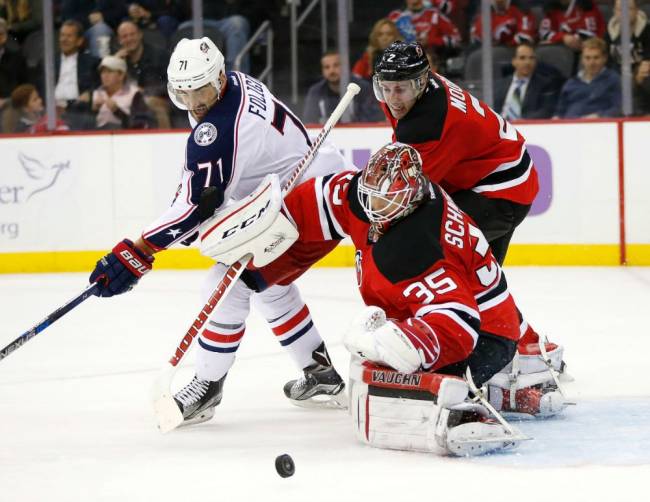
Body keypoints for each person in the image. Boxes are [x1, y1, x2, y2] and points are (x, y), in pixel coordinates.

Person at [88, 37, 353, 426]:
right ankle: (322, 376)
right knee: (270, 284)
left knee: (226, 283)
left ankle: (207, 385)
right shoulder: (236, 86)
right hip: (316, 189)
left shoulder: (221, 128)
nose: (194, 102)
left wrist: (138, 249)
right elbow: (197, 192)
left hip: (309, 204)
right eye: (184, 93)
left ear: (218, 78)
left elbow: (195, 209)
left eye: (200, 91)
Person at [239, 143, 566, 455]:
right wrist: (270, 234)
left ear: (410, 199)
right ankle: (504, 392)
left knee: (380, 365)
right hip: (482, 314)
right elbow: (326, 198)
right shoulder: (382, 196)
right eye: (371, 196)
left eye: (386, 201)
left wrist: (400, 342)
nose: (374, 208)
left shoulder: (418, 246)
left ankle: (463, 412)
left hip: (486, 336)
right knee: (376, 357)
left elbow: (459, 325)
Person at [370, 41, 566, 394]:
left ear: (420, 82)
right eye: (385, 88)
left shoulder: (430, 122)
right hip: (492, 180)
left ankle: (507, 346)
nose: (393, 97)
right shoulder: (415, 93)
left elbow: (407, 196)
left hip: (499, 191)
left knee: (460, 270)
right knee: (480, 279)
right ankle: (531, 346)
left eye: (400, 88)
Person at [303, 51, 384, 124]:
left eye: (336, 65)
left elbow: (373, 119)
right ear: (322, 70)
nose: (332, 70)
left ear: (345, 66)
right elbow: (310, 122)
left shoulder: (363, 88)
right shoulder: (315, 91)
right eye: (327, 67)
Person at [115, 20, 170, 128]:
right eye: (124, 36)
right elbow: (107, 85)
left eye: (132, 34)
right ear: (119, 40)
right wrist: (115, 62)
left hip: (159, 99)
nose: (129, 39)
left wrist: (144, 92)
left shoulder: (158, 55)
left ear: (140, 35)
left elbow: (170, 84)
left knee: (149, 102)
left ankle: (165, 139)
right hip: (127, 101)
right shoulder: (120, 59)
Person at [554, 37, 621, 118]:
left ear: (604, 58)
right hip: (569, 126)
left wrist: (599, 116)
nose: (591, 62)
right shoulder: (571, 83)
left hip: (599, 126)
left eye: (596, 58)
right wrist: (556, 117)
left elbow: (618, 108)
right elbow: (560, 111)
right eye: (587, 58)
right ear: (582, 59)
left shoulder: (614, 80)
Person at [52, 20, 100, 130]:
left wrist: (89, 93)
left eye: (69, 36)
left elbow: (97, 87)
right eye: (62, 35)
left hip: (77, 110)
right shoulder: (49, 62)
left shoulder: (91, 63)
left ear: (79, 41)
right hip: (51, 111)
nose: (64, 39)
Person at [495, 42, 561, 120]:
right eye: (522, 58)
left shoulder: (545, 84)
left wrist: (521, 122)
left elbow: (545, 111)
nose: (527, 62)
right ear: (514, 61)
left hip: (527, 128)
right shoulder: (500, 84)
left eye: (531, 58)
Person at [91, 55, 154, 130]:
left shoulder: (134, 94)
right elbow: (83, 125)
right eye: (103, 72)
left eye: (109, 71)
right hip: (98, 137)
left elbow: (140, 124)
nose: (105, 76)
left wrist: (117, 111)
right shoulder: (96, 93)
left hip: (124, 137)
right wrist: (92, 111)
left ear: (121, 75)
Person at [388, 0, 461, 61]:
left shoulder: (434, 15)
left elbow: (456, 39)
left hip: (431, 61)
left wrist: (430, 41)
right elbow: (384, 40)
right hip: (400, 62)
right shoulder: (396, 17)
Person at [539, 0, 605, 52]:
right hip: (562, 48)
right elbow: (544, 32)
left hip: (590, 48)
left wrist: (569, 39)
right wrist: (563, 37)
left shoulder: (586, 4)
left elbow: (588, 33)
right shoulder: (551, 6)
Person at [1, 83, 68, 133]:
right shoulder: (21, 128)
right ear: (25, 108)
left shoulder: (45, 116)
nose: (40, 100)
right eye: (35, 100)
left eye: (38, 97)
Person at [604, 0, 650, 70]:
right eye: (620, 9)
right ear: (614, 12)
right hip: (616, 73)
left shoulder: (647, 30)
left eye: (629, 9)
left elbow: (647, 59)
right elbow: (606, 58)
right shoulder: (610, 30)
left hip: (640, 72)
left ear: (636, 10)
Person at [470, 0, 537, 47]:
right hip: (493, 55)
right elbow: (477, 39)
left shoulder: (521, 10)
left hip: (514, 52)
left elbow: (525, 38)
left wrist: (505, 43)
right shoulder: (485, 15)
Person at [0, 17, 28, 111]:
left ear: (4, 36)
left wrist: (6, 100)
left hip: (9, 103)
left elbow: (17, 86)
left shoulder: (15, 54)